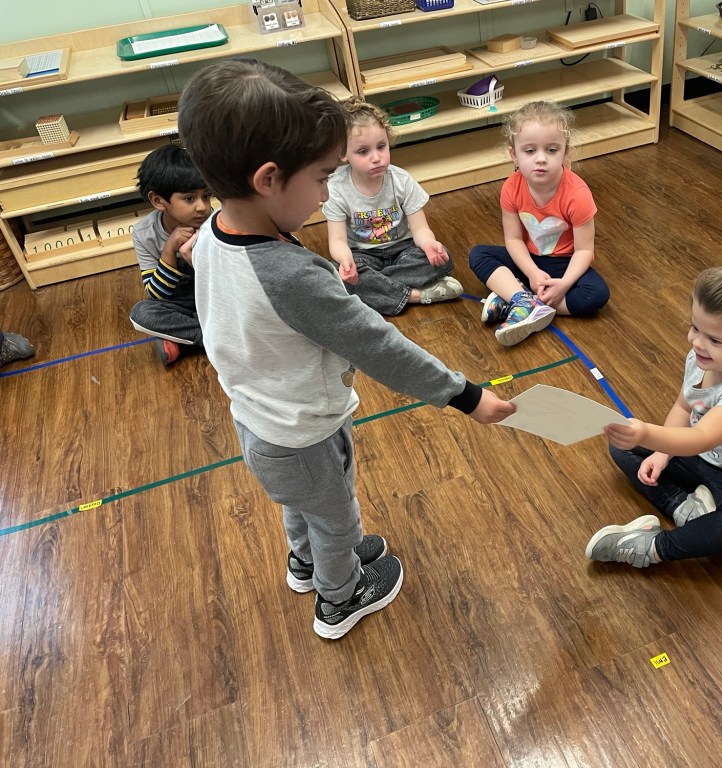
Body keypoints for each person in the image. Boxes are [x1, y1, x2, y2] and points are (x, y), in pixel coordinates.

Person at [177, 59, 515, 641]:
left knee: (303, 504)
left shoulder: (209, 232)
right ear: (268, 179)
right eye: (321, 178)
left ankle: (306, 563)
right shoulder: (293, 276)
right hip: (304, 428)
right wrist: (465, 396)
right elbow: (380, 347)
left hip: (258, 420)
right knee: (336, 517)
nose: (325, 194)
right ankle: (339, 597)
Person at [585, 236, 722, 566]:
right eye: (695, 328)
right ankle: (685, 509)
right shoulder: (700, 358)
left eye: (714, 339)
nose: (697, 342)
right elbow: (683, 407)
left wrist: (647, 434)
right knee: (622, 448)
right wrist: (661, 453)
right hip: (699, 457)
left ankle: (653, 547)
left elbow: (702, 437)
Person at [468, 101, 609, 347]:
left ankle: (517, 301)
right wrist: (533, 273)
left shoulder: (578, 194)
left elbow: (585, 250)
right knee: (479, 254)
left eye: (552, 150)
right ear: (514, 154)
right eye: (530, 151)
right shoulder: (511, 187)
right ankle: (523, 300)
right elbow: (513, 239)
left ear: (565, 152)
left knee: (596, 294)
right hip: (528, 262)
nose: (541, 159)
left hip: (565, 264)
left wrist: (564, 284)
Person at [323, 98, 462, 315]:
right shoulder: (336, 189)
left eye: (381, 146)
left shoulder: (402, 180)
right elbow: (337, 241)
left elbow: (420, 229)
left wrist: (428, 244)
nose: (376, 158)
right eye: (363, 151)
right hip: (363, 255)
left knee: (443, 257)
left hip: (403, 251)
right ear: (343, 153)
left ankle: (377, 288)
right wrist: (345, 260)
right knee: (334, 271)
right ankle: (417, 295)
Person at [128, 144, 214, 367]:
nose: (202, 207)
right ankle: (212, 338)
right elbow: (157, 294)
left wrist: (197, 260)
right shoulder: (144, 233)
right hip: (180, 303)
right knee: (142, 313)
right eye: (189, 199)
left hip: (215, 297)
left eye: (206, 196)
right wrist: (169, 250)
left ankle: (184, 339)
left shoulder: (215, 223)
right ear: (158, 201)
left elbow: (231, 282)